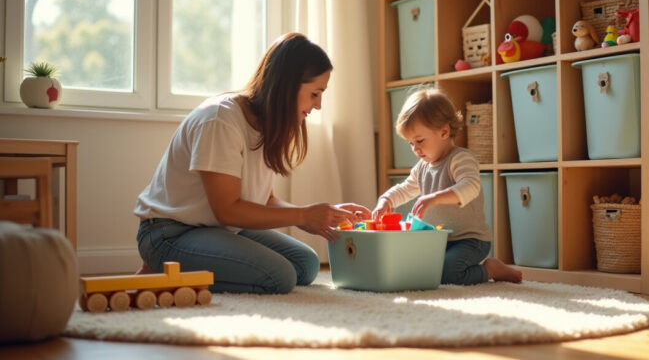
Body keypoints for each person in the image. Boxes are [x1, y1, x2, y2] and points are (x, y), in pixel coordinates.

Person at [134, 32, 371, 294]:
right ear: (288, 85)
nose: (319, 105)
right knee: (279, 277)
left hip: (219, 230)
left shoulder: (266, 124)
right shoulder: (220, 120)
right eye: (315, 93)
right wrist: (304, 214)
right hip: (172, 234)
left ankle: (189, 268)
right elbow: (228, 210)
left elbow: (265, 200)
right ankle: (161, 271)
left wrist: (317, 217)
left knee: (305, 264)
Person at [372, 87, 522, 285]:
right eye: (410, 143)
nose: (415, 149)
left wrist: (434, 198)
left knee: (448, 274)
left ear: (444, 132)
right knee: (412, 266)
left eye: (419, 141)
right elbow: (405, 188)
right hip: (437, 241)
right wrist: (386, 200)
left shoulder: (460, 159)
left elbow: (470, 186)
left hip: (470, 240)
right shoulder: (422, 167)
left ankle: (490, 270)